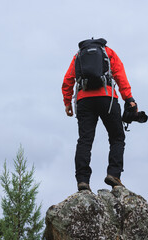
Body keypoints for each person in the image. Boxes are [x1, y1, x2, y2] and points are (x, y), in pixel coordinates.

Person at [62, 38, 136, 191]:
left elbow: (68, 79)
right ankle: (114, 174)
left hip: (84, 100)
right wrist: (129, 98)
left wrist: (67, 102)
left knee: (85, 140)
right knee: (117, 137)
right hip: (107, 98)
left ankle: (83, 181)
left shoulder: (78, 55)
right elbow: (120, 75)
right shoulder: (108, 52)